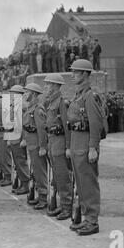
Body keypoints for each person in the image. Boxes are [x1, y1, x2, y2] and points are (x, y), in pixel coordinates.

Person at [67, 59, 102, 236]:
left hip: (85, 144)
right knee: (80, 184)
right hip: (76, 142)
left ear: (86, 74)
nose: (73, 75)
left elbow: (95, 123)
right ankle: (86, 217)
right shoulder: (78, 95)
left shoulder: (90, 95)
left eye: (76, 72)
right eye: (73, 72)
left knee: (88, 184)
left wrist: (93, 147)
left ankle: (92, 221)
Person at [43, 74, 73, 220]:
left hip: (60, 143)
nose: (45, 87)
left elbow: (67, 127)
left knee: (63, 176)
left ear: (55, 85)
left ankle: (67, 207)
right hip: (52, 142)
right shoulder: (50, 102)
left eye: (48, 84)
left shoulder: (62, 102)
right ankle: (63, 205)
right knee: (57, 177)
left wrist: (68, 147)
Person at [22, 82, 48, 209]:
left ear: (33, 94)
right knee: (36, 173)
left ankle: (43, 197)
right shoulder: (30, 108)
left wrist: (43, 147)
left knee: (40, 172)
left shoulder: (37, 109)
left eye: (27, 92)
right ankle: (40, 195)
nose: (25, 94)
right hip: (32, 145)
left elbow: (41, 129)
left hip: (37, 146)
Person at [6, 85, 30, 192]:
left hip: (20, 138)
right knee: (17, 162)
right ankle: (21, 183)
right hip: (14, 137)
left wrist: (24, 139)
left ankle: (25, 185)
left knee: (21, 162)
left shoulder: (23, 106)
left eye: (13, 93)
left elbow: (25, 124)